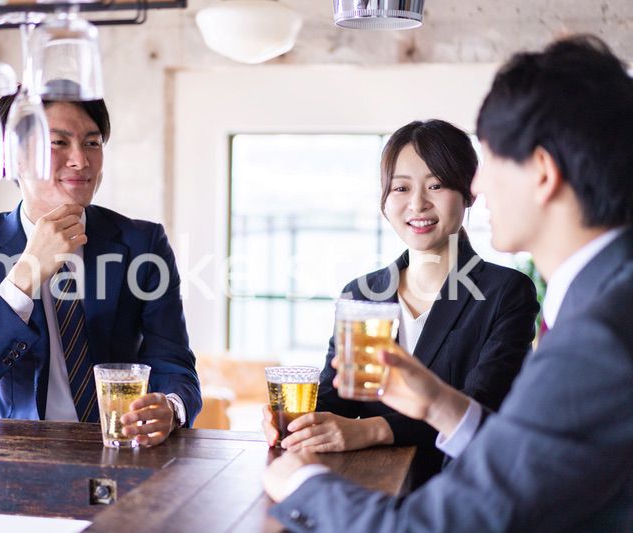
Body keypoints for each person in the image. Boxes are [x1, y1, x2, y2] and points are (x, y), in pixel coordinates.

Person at [263, 34, 633, 531]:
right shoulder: (608, 299)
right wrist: (439, 404)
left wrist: (303, 488)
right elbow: (530, 460)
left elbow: (440, 524)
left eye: (490, 161)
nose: (477, 186)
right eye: (401, 187)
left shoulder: (595, 337)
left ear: (542, 172)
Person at [262, 120, 539, 484]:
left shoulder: (506, 291)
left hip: (459, 494)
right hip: (370, 489)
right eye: (401, 188)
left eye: (436, 186)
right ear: (384, 200)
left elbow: (481, 408)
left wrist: (371, 430)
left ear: (468, 193)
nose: (417, 204)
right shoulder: (361, 293)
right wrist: (297, 418)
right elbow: (338, 398)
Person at [0, 93, 201, 447]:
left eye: (92, 143)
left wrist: (172, 406)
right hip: (21, 461)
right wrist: (24, 276)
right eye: (57, 142)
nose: (80, 160)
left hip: (124, 452)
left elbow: (175, 365)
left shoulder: (143, 244)